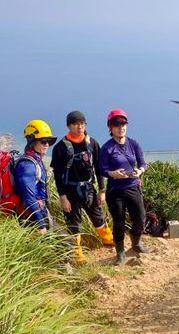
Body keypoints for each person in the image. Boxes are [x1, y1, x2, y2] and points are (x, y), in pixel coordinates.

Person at [50, 111, 114, 264]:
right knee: (73, 222)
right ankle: (77, 255)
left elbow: (99, 169)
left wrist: (102, 190)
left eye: (82, 123)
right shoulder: (60, 148)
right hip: (70, 191)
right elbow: (58, 175)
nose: (79, 127)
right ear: (68, 126)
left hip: (88, 188)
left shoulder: (92, 143)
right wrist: (62, 197)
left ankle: (108, 240)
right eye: (75, 124)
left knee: (97, 216)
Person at [99, 109, 149, 265]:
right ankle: (120, 251)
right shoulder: (107, 148)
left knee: (140, 218)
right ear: (110, 128)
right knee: (119, 222)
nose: (121, 127)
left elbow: (143, 163)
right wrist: (113, 173)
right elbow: (102, 169)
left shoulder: (133, 144)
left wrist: (139, 171)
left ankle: (136, 242)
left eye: (123, 124)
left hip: (133, 186)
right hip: (116, 191)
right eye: (117, 125)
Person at [14, 119, 57, 235]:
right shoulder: (27, 165)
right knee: (67, 246)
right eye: (43, 141)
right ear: (32, 141)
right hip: (31, 218)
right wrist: (41, 224)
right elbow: (29, 198)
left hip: (39, 213)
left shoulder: (36, 160)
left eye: (49, 142)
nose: (47, 145)